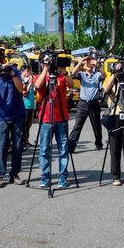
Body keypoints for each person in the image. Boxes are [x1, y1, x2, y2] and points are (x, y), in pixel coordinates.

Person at [0, 55, 26, 188]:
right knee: (1, 146)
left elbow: (21, 89)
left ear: (5, 62)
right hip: (1, 116)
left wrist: (11, 73)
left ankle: (14, 174)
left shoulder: (15, 71)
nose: (0, 67)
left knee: (18, 146)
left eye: (0, 63)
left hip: (18, 114)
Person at [33, 55, 71, 189]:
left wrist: (64, 71)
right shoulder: (39, 76)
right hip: (46, 119)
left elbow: (71, 84)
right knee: (44, 149)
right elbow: (38, 85)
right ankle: (45, 177)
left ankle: (62, 177)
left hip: (61, 118)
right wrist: (46, 68)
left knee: (63, 150)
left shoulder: (61, 76)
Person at [67, 56, 105, 153]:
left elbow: (104, 75)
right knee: (77, 125)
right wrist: (81, 62)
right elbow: (72, 74)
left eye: (90, 63)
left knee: (96, 125)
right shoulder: (82, 74)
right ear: (83, 66)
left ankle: (98, 143)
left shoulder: (97, 75)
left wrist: (97, 64)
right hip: (83, 103)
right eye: (86, 63)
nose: (88, 64)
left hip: (94, 103)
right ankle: (71, 146)